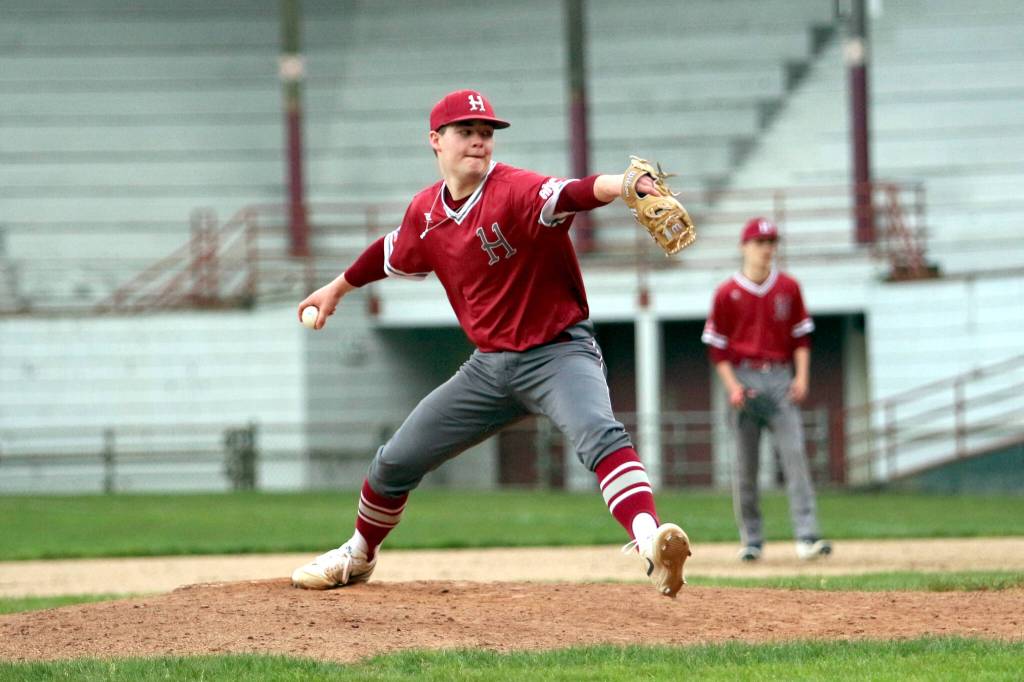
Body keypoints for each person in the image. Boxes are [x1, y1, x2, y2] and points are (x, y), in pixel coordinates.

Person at [290, 89, 691, 597]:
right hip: (489, 368)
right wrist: (336, 288)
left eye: (486, 133)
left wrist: (626, 183)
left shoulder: (515, 190)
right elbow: (389, 251)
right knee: (394, 460)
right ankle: (359, 553)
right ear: (435, 141)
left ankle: (651, 540)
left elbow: (575, 192)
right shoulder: (427, 214)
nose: (479, 141)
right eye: (466, 132)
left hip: (558, 353)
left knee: (599, 434)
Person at [701, 217, 831, 562]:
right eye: (760, 243)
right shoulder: (726, 292)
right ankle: (752, 539)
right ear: (745, 247)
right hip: (745, 378)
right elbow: (718, 348)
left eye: (771, 242)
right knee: (745, 467)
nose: (767, 249)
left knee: (795, 458)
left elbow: (801, 337)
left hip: (779, 377)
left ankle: (807, 536)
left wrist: (801, 378)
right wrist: (732, 386)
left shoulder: (788, 287)